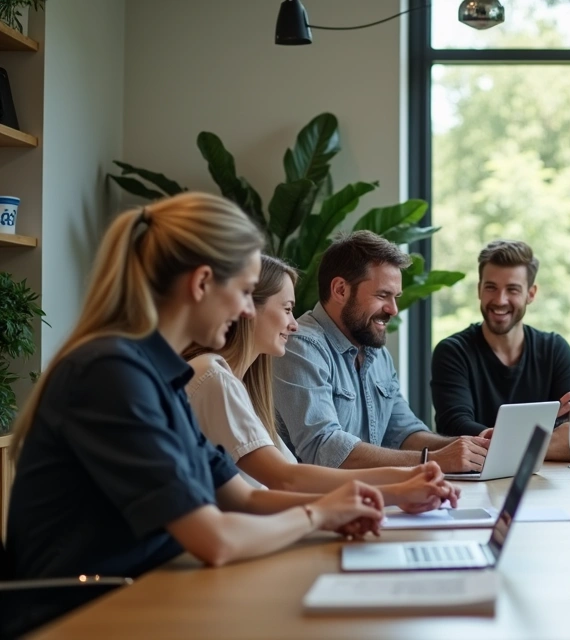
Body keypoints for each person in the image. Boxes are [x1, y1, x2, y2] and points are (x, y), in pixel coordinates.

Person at [4, 194, 391, 634]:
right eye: (244, 291)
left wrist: (339, 507)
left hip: (146, 596)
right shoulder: (110, 373)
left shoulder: (161, 373)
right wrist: (318, 515)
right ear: (202, 282)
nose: (246, 310)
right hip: (86, 617)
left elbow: (241, 498)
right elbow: (215, 539)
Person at [185, 255, 459, 512]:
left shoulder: (241, 386)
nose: (294, 324)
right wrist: (398, 488)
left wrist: (407, 480)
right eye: (287, 309)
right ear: (247, 308)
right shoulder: (214, 377)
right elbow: (287, 480)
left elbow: (285, 485)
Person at [275, 231, 487, 473]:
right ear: (340, 290)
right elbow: (324, 448)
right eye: (382, 295)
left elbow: (404, 432)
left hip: (373, 493)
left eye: (396, 297)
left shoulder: (377, 354)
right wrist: (434, 459)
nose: (394, 309)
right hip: (314, 496)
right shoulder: (300, 347)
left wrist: (472, 447)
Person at [431, 240, 570, 461]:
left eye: (512, 289)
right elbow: (455, 426)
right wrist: (542, 437)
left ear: (531, 294)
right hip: (477, 475)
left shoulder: (554, 349)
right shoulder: (453, 351)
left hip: (545, 477)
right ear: (479, 289)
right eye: (491, 287)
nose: (500, 300)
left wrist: (499, 441)